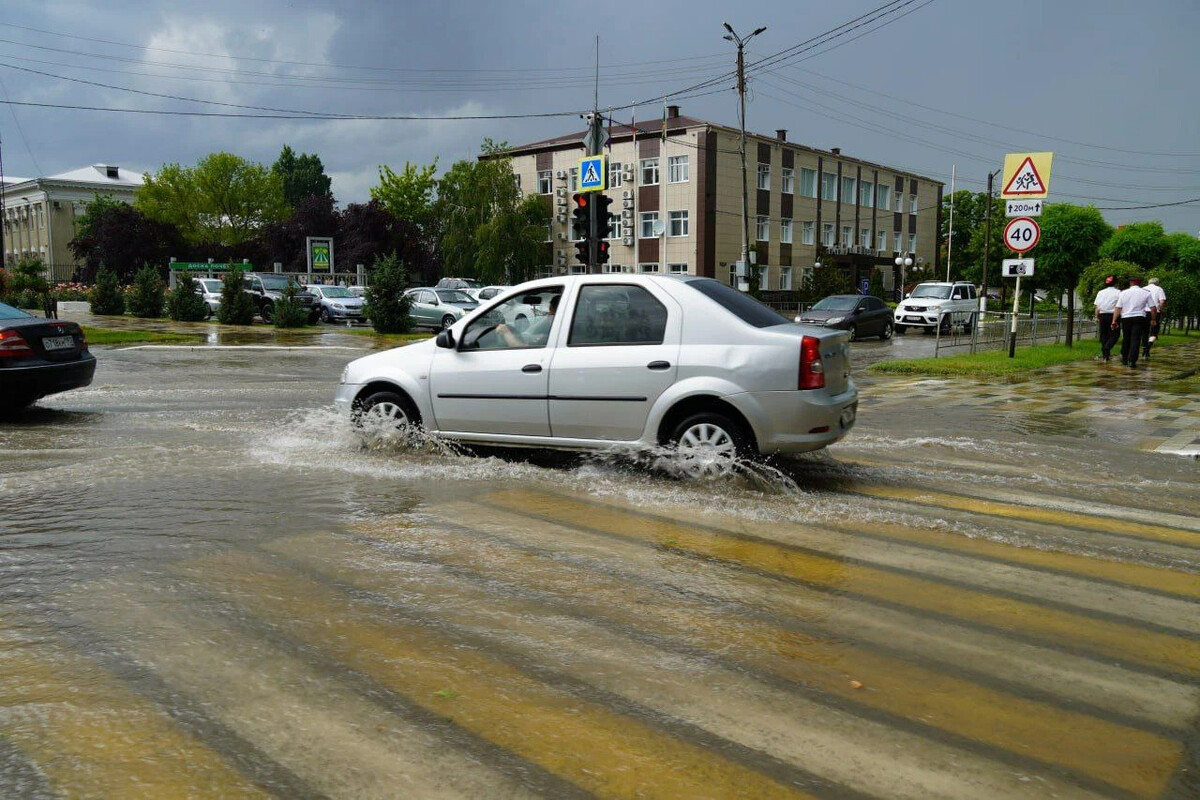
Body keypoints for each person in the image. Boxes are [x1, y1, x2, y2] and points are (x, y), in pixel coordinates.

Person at [1111, 276, 1152, 368]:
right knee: (1136, 339)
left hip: (1126, 318)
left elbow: (1118, 307)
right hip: (1139, 317)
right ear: (1140, 283)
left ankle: (1124, 358)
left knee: (1126, 338)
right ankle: (1132, 361)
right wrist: (1153, 319)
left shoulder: (1123, 293)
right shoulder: (1146, 293)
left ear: (1130, 283)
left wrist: (1114, 320)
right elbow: (1152, 307)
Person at [1093, 275, 1120, 361]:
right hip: (1113, 315)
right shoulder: (1119, 292)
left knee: (1104, 335)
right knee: (1115, 334)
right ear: (1115, 283)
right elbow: (1119, 306)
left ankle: (1105, 355)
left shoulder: (1100, 292)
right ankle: (1107, 347)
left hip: (1102, 315)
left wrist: (1097, 316)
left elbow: (1097, 307)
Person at [1143, 277, 1167, 360]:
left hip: (1143, 312)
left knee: (1145, 331)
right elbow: (1162, 301)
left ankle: (1144, 346)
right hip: (1155, 312)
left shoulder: (1143, 289)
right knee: (1154, 331)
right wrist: (1161, 309)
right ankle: (1148, 347)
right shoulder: (1159, 289)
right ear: (1157, 283)